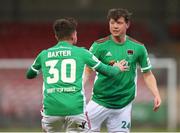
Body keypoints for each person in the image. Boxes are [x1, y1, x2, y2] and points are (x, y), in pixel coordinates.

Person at [26, 17, 127, 132]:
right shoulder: (82, 53)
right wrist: (117, 68)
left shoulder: (43, 54)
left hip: (51, 112)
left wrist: (39, 70)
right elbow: (108, 72)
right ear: (74, 35)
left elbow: (30, 74)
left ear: (56, 36)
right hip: (75, 110)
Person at [85, 8, 162, 132]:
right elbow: (87, 70)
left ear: (127, 24)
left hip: (123, 105)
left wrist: (156, 94)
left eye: (119, 23)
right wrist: (79, 89)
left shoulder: (139, 47)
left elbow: (147, 73)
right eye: (112, 23)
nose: (115, 26)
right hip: (99, 101)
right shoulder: (99, 46)